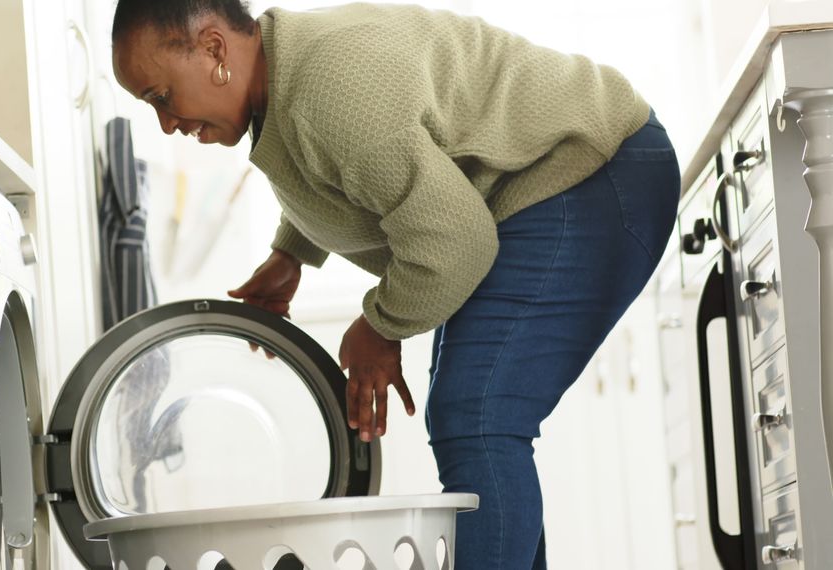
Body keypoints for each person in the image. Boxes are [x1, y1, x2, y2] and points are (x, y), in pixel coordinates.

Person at [110, 1, 680, 568]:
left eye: (161, 96)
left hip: (591, 170)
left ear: (214, 50)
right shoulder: (284, 78)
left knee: (476, 414)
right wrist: (291, 254)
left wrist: (379, 326)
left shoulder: (329, 87)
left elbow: (456, 241)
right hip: (539, 187)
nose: (166, 123)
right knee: (476, 417)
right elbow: (355, 171)